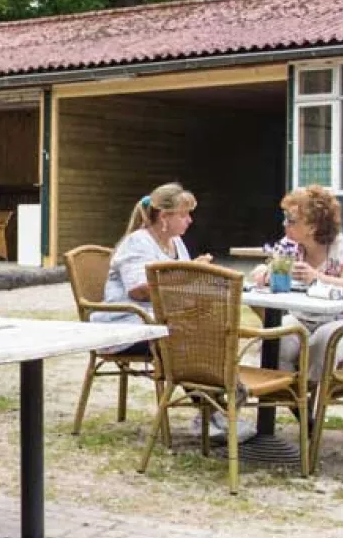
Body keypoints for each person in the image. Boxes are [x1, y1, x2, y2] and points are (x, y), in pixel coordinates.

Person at [90, 183, 251, 440]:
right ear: (164, 217)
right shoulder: (138, 242)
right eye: (184, 214)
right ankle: (214, 412)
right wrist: (188, 274)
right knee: (188, 343)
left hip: (161, 323)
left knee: (211, 332)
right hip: (129, 325)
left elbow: (180, 283)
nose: (190, 220)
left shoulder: (175, 242)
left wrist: (196, 274)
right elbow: (138, 290)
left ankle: (217, 408)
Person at [251, 185, 343, 384]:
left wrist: (317, 277)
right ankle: (289, 397)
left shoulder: (341, 246)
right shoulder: (289, 245)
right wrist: (264, 274)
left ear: (312, 227)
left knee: (322, 343)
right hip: (303, 318)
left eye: (291, 220)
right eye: (285, 218)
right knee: (275, 341)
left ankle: (312, 399)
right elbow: (267, 271)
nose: (285, 224)